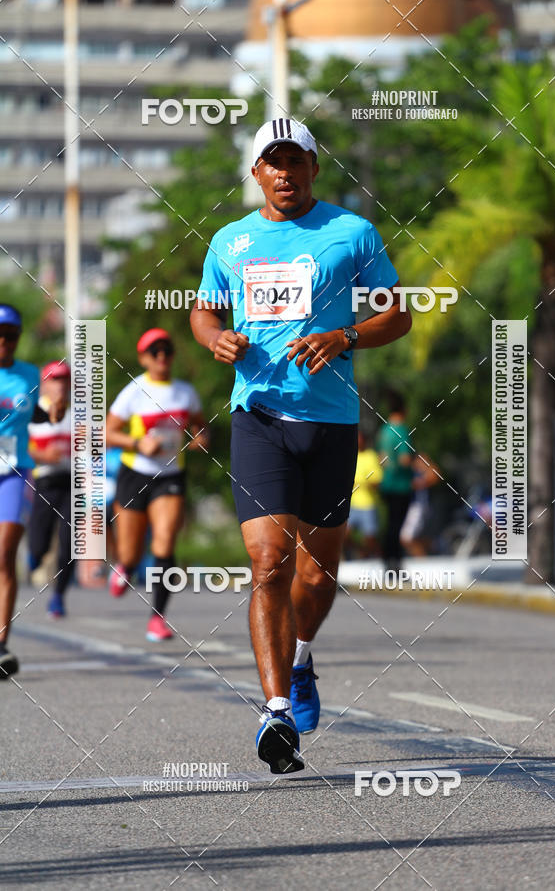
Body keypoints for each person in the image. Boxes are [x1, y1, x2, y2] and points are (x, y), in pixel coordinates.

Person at [191, 118, 411, 773]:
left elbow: (397, 314)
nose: (285, 172)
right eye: (272, 162)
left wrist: (345, 338)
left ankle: (302, 656)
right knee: (269, 564)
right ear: (255, 172)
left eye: (296, 160)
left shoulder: (353, 233)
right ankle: (276, 711)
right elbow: (205, 309)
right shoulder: (231, 241)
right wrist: (214, 339)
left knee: (316, 577)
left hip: (333, 424)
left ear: (316, 167)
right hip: (258, 416)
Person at [105, 328, 208, 641]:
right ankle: (125, 565)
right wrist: (137, 443)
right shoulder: (135, 390)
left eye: (167, 350)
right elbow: (107, 433)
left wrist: (200, 439)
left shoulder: (186, 392)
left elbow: (200, 427)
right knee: (131, 552)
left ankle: (157, 618)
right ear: (143, 358)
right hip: (134, 474)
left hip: (170, 476)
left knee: (164, 544)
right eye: (154, 351)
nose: (161, 356)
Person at [0, 304, 65, 678]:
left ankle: (1, 644)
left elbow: (36, 415)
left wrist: (53, 412)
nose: (4, 341)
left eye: (10, 334)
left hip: (15, 470)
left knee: (5, 551)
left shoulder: (28, 375)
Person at [27, 361, 73, 618]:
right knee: (39, 545)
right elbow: (19, 447)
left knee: (70, 544)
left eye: (64, 379)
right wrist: (44, 455)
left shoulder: (78, 414)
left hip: (72, 484)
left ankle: (58, 597)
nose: (60, 385)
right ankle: (34, 556)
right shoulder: (32, 414)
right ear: (44, 384)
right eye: (55, 379)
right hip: (44, 483)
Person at [376, 391, 414, 571]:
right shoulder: (402, 430)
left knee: (389, 523)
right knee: (397, 525)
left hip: (387, 483)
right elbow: (405, 459)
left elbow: (381, 458)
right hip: (401, 485)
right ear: (404, 409)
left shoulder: (384, 430)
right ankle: (395, 562)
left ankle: (387, 560)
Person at [345, 429, 383, 559]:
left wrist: (365, 483)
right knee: (344, 535)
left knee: (370, 537)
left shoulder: (371, 456)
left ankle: (379, 557)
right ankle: (361, 552)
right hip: (352, 504)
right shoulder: (350, 455)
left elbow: (377, 480)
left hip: (368, 503)